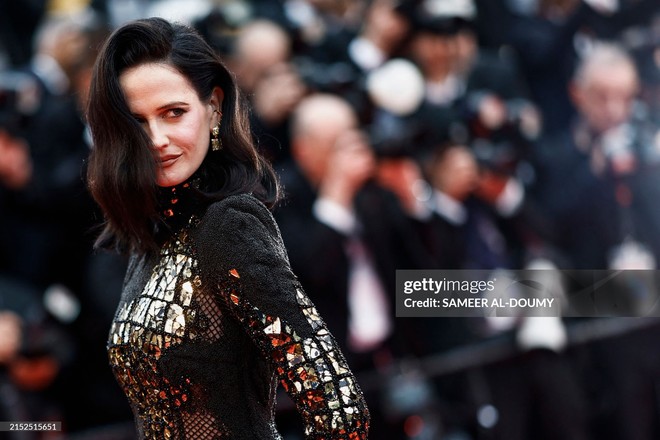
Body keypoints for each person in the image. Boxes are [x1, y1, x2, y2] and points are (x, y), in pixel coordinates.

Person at [85, 17, 369, 439]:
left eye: (173, 112)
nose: (157, 138)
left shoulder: (227, 225)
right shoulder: (152, 237)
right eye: (138, 121)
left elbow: (340, 407)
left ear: (214, 108)